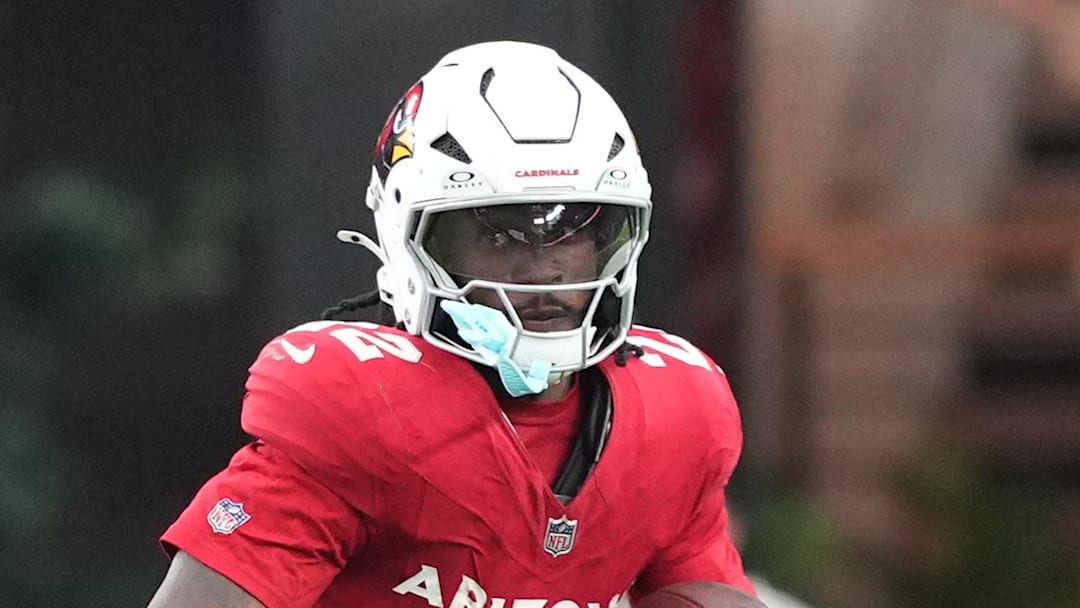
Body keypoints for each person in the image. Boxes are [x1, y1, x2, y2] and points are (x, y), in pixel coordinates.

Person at [147, 40, 761, 608]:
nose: (543, 267)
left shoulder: (678, 418)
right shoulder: (363, 409)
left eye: (572, 229)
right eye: (498, 231)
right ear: (408, 236)